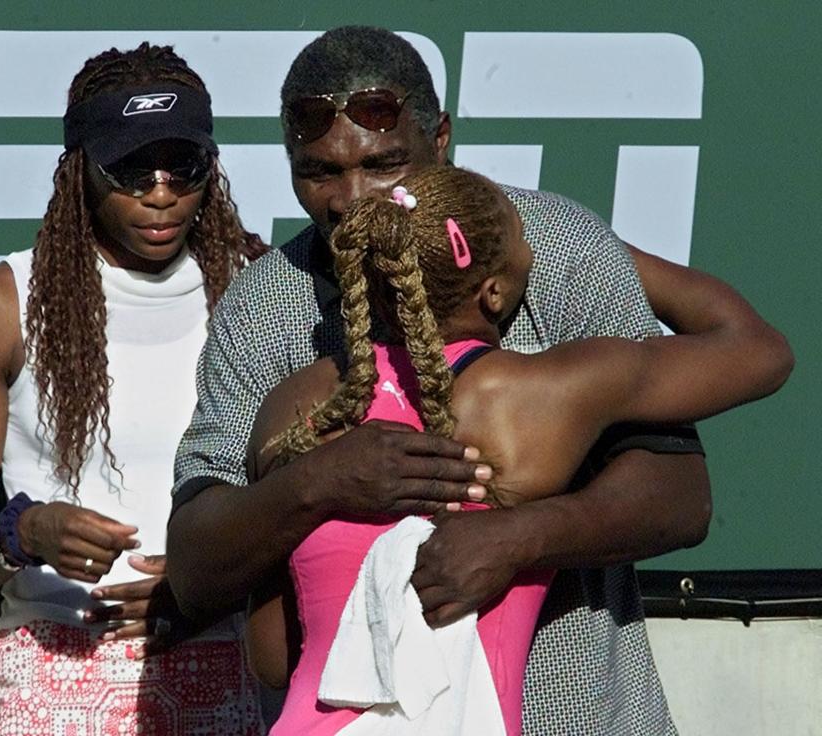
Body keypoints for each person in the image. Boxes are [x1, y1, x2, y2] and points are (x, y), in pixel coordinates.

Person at [164, 25, 776, 734]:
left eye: (385, 164)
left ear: (442, 138)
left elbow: (680, 497)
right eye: (319, 171)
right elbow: (197, 566)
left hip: (581, 717)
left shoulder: (554, 247)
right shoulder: (267, 309)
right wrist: (319, 483)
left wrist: (521, 536)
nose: (350, 198)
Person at [241, 165, 792, 735]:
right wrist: (609, 254)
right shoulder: (542, 397)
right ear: (496, 290)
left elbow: (272, 658)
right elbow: (761, 351)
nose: (533, 244)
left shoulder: (292, 408)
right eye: (524, 237)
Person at [0, 43, 264, 735]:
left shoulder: (258, 289)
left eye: (184, 165)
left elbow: (307, 505)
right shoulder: (0, 304)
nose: (162, 190)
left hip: (222, 654)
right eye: (131, 169)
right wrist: (24, 532)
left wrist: (202, 583)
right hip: (52, 663)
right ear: (81, 168)